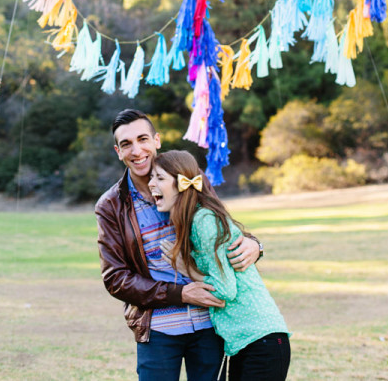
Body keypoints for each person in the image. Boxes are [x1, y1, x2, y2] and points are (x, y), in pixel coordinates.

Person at [95, 108, 262, 381]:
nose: (137, 150)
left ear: (156, 140)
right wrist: (180, 294)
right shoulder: (111, 206)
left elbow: (225, 228)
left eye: (143, 139)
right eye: (126, 144)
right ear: (118, 151)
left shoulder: (188, 176)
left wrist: (255, 245)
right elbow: (116, 278)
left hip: (212, 322)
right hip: (158, 329)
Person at [149, 149, 291, 381]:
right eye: (152, 177)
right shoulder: (195, 220)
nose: (151, 184)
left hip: (261, 342)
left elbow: (224, 291)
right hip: (246, 343)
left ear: (181, 184)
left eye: (159, 178)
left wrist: (188, 269)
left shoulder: (203, 221)